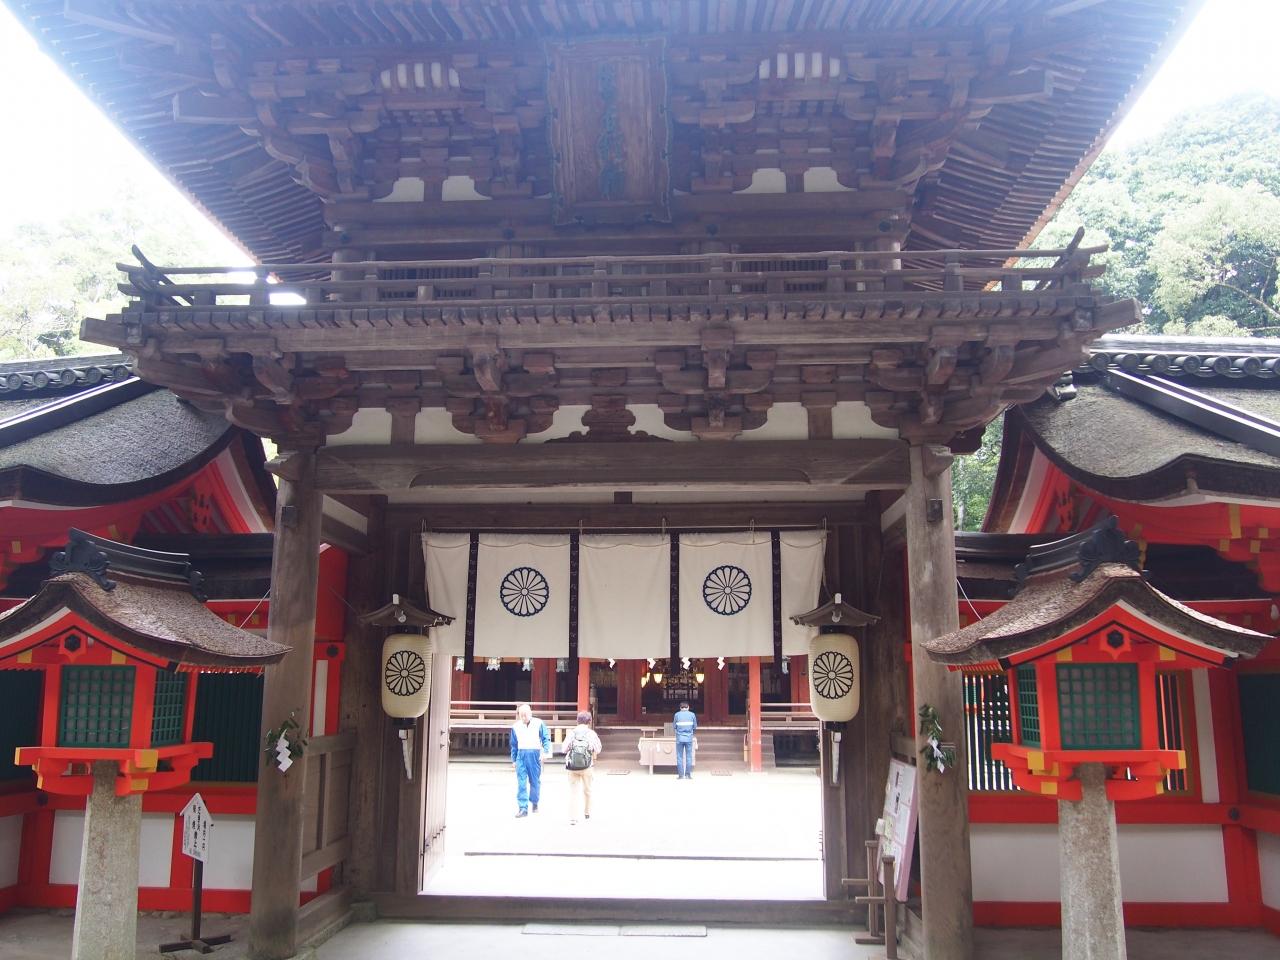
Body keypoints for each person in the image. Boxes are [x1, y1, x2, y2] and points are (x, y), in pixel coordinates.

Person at [509, 702, 551, 817]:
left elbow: (546, 738)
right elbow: (514, 745)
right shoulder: (515, 727)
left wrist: (545, 752)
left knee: (534, 781)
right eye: (521, 715)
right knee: (521, 782)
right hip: (521, 755)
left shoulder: (539, 723)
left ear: (530, 713)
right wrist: (514, 760)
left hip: (534, 754)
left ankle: (535, 801)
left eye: (525, 715)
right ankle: (523, 808)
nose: (523, 718)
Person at [563, 710, 602, 825]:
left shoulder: (572, 733)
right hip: (587, 766)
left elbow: (564, 749)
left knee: (573, 791)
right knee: (587, 790)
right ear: (589, 721)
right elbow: (598, 749)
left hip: (572, 766)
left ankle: (573, 817)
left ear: (577, 721)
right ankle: (587, 812)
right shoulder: (591, 734)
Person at [673, 701, 697, 780]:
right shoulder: (692, 715)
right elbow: (695, 726)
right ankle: (688, 775)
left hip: (679, 738)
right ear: (688, 707)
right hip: (689, 738)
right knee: (689, 757)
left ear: (680, 708)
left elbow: (674, 726)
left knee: (679, 757)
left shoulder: (677, 715)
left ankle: (680, 775)